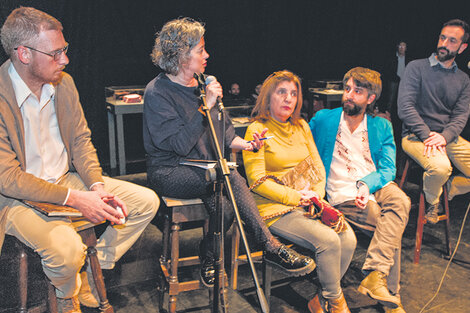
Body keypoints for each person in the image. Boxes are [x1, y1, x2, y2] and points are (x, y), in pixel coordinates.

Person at [0, 7, 159, 313]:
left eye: (65, 50)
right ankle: (66, 295)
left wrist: (96, 187)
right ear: (23, 54)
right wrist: (76, 199)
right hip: (15, 198)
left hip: (64, 180)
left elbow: (81, 141)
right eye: (55, 53)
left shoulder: (65, 84)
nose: (65, 60)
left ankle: (85, 272)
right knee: (67, 250)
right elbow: (8, 179)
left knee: (144, 203)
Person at [143, 17, 315, 288]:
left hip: (205, 170)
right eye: (200, 50)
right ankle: (270, 246)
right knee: (229, 176)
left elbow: (224, 134)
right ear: (180, 55)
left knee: (224, 206)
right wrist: (205, 107)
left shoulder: (204, 85)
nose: (207, 55)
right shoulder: (157, 92)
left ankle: (209, 256)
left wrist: (247, 144)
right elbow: (178, 145)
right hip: (170, 170)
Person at [243, 70, 357, 313]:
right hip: (274, 208)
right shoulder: (256, 129)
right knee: (328, 241)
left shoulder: (301, 125)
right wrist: (297, 197)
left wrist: (314, 196)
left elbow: (317, 166)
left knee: (348, 238)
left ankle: (322, 298)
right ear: (268, 97)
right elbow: (257, 181)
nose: (288, 99)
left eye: (293, 94)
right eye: (281, 92)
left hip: (308, 202)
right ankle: (336, 303)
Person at [309, 67, 411, 313]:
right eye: (347, 89)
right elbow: (300, 143)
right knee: (387, 224)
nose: (349, 95)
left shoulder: (381, 127)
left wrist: (367, 184)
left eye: (357, 91)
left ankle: (376, 277)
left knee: (401, 201)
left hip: (374, 185)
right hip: (343, 191)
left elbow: (388, 169)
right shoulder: (324, 119)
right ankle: (389, 294)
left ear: (370, 98)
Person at [398, 19, 470, 224]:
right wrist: (428, 135)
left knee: (444, 170)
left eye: (452, 41)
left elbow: (461, 115)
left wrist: (444, 137)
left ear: (462, 47)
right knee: (440, 168)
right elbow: (405, 108)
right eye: (442, 37)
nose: (444, 44)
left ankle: (450, 188)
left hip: (447, 138)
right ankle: (432, 201)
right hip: (415, 135)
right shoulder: (416, 68)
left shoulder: (464, 80)